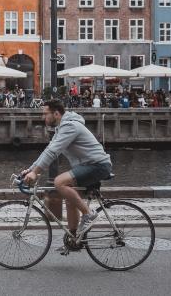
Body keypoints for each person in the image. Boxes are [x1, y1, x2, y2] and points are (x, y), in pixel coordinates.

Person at [22, 100, 112, 249]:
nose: (43, 117)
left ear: (56, 113)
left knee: (59, 182)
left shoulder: (70, 126)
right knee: (70, 198)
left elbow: (53, 152)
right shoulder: (61, 128)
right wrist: (31, 170)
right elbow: (48, 150)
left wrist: (36, 172)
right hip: (87, 166)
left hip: (98, 165)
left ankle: (89, 214)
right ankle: (74, 239)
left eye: (45, 114)